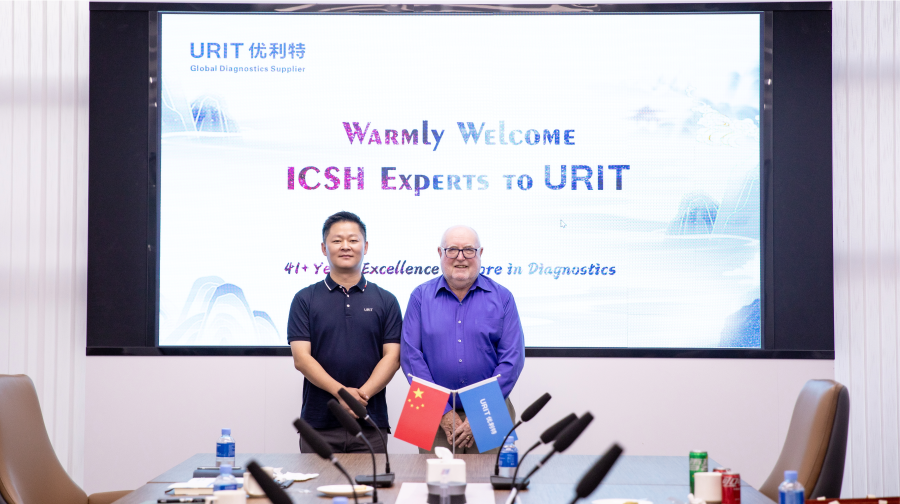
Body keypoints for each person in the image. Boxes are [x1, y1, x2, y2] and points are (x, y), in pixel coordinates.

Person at [401, 225, 525, 454]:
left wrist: (479, 414)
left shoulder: (503, 297)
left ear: (480, 253)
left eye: (469, 250)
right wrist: (442, 411)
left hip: (491, 408)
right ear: (440, 253)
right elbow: (410, 357)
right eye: (452, 250)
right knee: (431, 476)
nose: (461, 257)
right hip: (430, 408)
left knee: (493, 476)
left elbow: (512, 359)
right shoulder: (420, 296)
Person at [288, 211, 402, 453]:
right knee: (315, 480)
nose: (345, 246)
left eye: (353, 240)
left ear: (365, 246)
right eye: (337, 240)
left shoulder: (387, 300)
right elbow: (301, 359)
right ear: (324, 248)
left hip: (370, 423)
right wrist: (341, 393)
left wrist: (359, 398)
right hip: (318, 426)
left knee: (372, 480)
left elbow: (392, 358)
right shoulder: (305, 299)